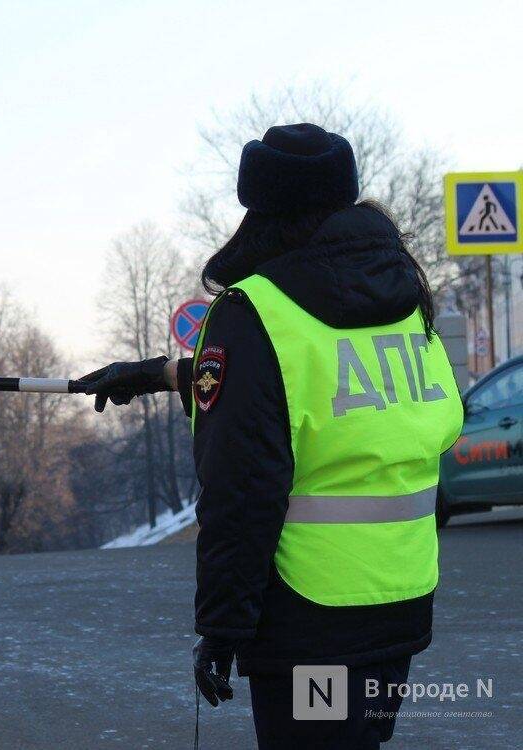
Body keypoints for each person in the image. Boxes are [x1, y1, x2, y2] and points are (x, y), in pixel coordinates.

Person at [78, 123, 463, 749]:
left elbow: (242, 489)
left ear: (262, 209)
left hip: (311, 617)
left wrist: (223, 629)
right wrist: (164, 373)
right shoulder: (404, 294)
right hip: (402, 598)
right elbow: (349, 397)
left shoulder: (253, 311)